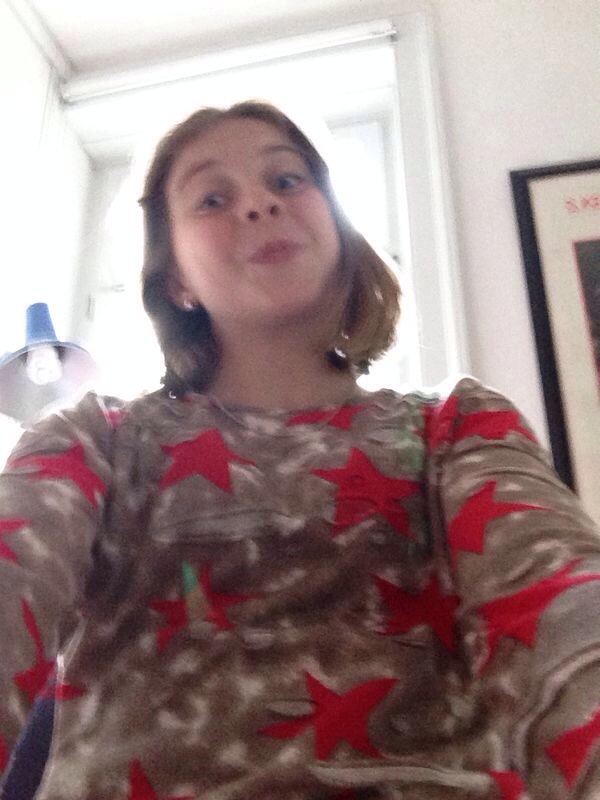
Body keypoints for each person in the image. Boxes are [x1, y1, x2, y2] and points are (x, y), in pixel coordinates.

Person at [1, 101, 600, 800]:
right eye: (213, 197)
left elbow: (563, 610)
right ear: (176, 280)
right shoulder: (93, 439)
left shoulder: (455, 425)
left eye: (287, 180)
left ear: (340, 233)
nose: (259, 204)